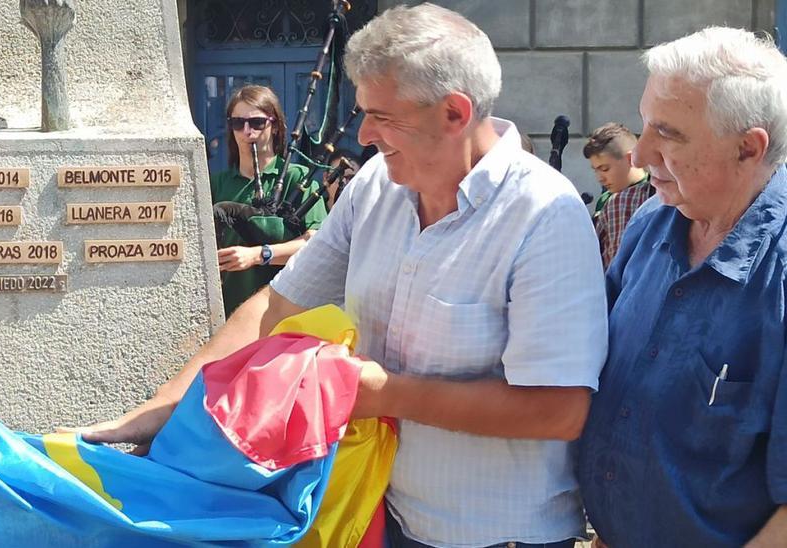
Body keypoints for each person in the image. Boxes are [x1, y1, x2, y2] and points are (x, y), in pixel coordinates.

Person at [76, 5, 606, 547]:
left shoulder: (544, 213)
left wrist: (383, 394)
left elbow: (558, 409)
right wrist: (164, 408)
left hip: (498, 536)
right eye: (362, 112)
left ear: (454, 113)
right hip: (375, 513)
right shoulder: (377, 184)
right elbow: (275, 306)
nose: (367, 134)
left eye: (383, 116)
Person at [577, 27, 787, 547]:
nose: (642, 154)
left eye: (667, 134)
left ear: (748, 148)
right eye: (645, 125)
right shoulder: (652, 223)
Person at [209, 85, 328, 316]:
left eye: (256, 123)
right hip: (228, 310)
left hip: (284, 310)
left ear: (274, 126)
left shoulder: (298, 178)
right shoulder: (216, 184)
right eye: (237, 123)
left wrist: (258, 255)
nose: (247, 131)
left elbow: (316, 242)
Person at [584, 122, 654, 269]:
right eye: (596, 170)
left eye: (605, 169)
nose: (600, 178)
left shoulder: (624, 201)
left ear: (630, 158)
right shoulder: (606, 199)